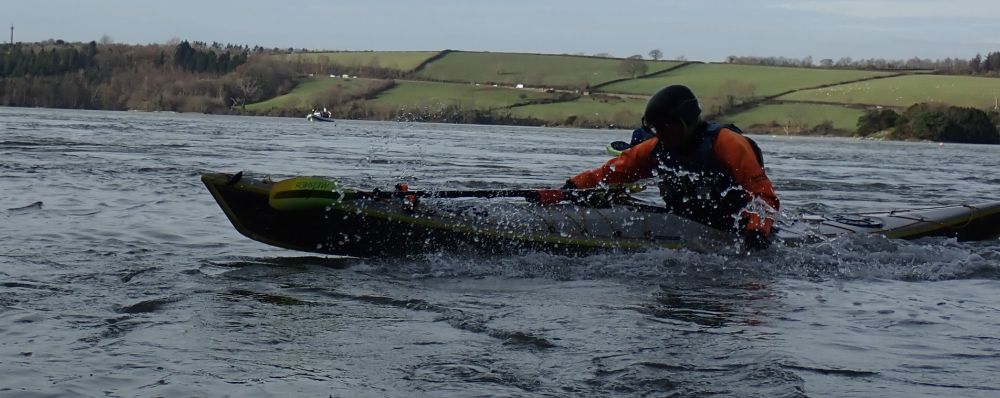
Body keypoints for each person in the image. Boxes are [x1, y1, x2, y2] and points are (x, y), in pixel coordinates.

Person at [560, 84, 779, 250]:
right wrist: (571, 187)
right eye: (655, 128)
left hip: (733, 228)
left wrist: (757, 231)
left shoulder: (728, 144)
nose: (660, 133)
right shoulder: (656, 148)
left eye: (666, 126)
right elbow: (611, 172)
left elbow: (762, 196)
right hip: (685, 223)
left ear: (685, 121)